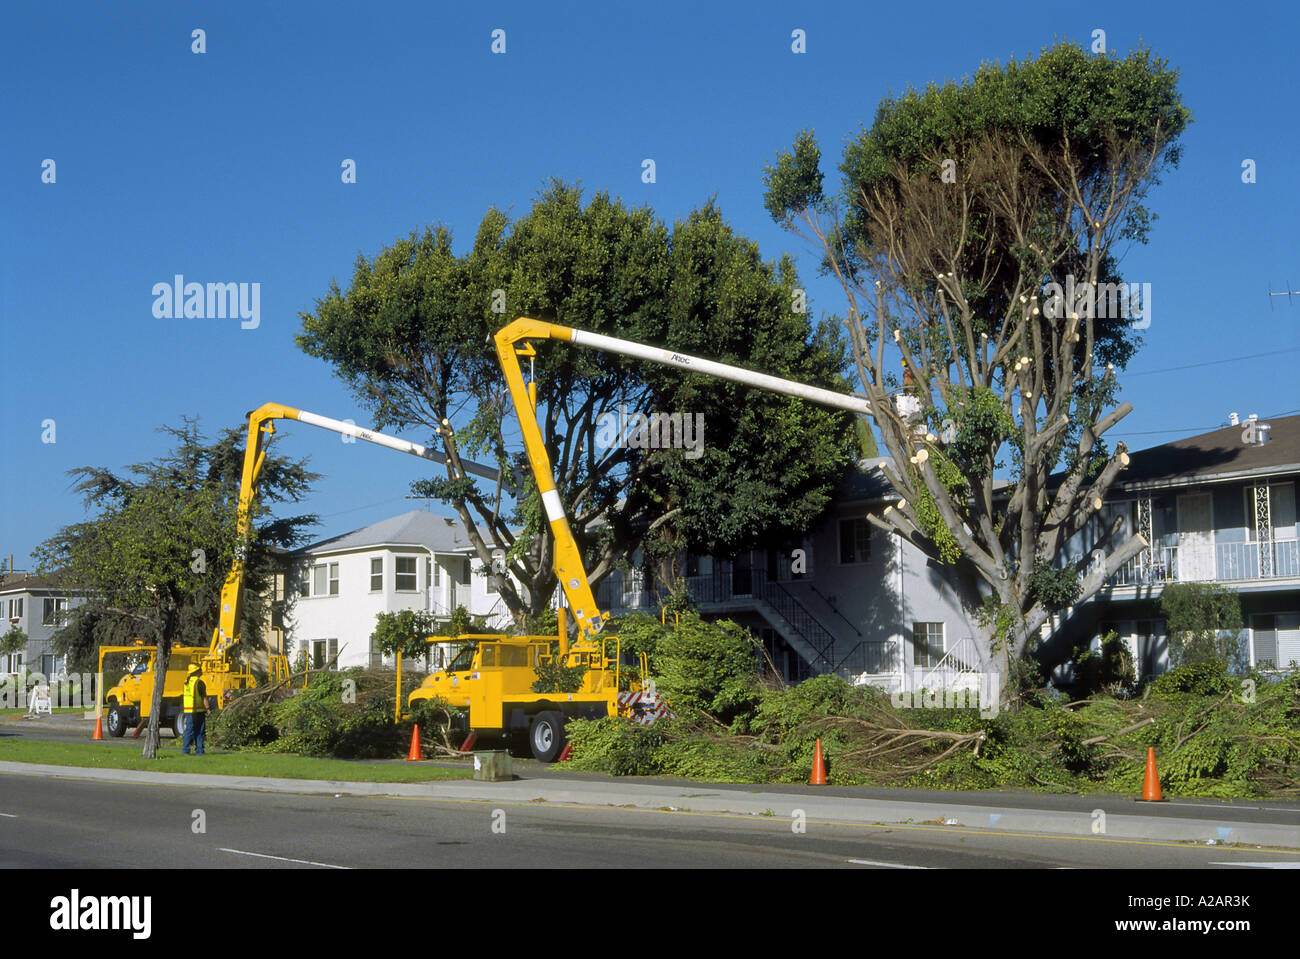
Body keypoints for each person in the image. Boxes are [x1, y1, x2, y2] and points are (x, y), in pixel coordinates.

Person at [181, 664, 207, 755]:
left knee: (189, 730)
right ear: (197, 671)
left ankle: (185, 751)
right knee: (199, 731)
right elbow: (204, 698)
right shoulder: (199, 683)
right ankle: (199, 751)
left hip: (188, 710)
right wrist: (208, 709)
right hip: (198, 710)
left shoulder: (186, 682)